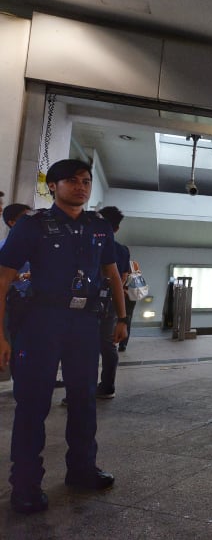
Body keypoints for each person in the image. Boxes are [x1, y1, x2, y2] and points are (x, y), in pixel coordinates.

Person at [0, 159, 129, 514]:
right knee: (33, 403)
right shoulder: (31, 226)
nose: (81, 187)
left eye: (85, 181)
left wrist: (121, 318)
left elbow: (112, 273)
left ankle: (82, 470)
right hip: (40, 322)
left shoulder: (98, 227)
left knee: (84, 400)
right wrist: (1, 335)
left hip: (84, 323)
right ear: (53, 186)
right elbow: (4, 278)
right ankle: (25, 485)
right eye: (71, 180)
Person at [95, 206, 132, 398]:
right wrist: (122, 318)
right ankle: (107, 386)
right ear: (116, 229)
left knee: (84, 344)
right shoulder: (122, 250)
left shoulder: (90, 244)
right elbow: (123, 278)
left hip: (86, 302)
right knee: (107, 344)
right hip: (110, 301)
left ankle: (80, 390)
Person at [1, 203, 33, 375]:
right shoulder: (5, 246)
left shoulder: (35, 245)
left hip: (36, 301)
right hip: (16, 301)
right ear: (12, 222)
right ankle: (19, 376)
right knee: (19, 341)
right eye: (25, 218)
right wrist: (24, 276)